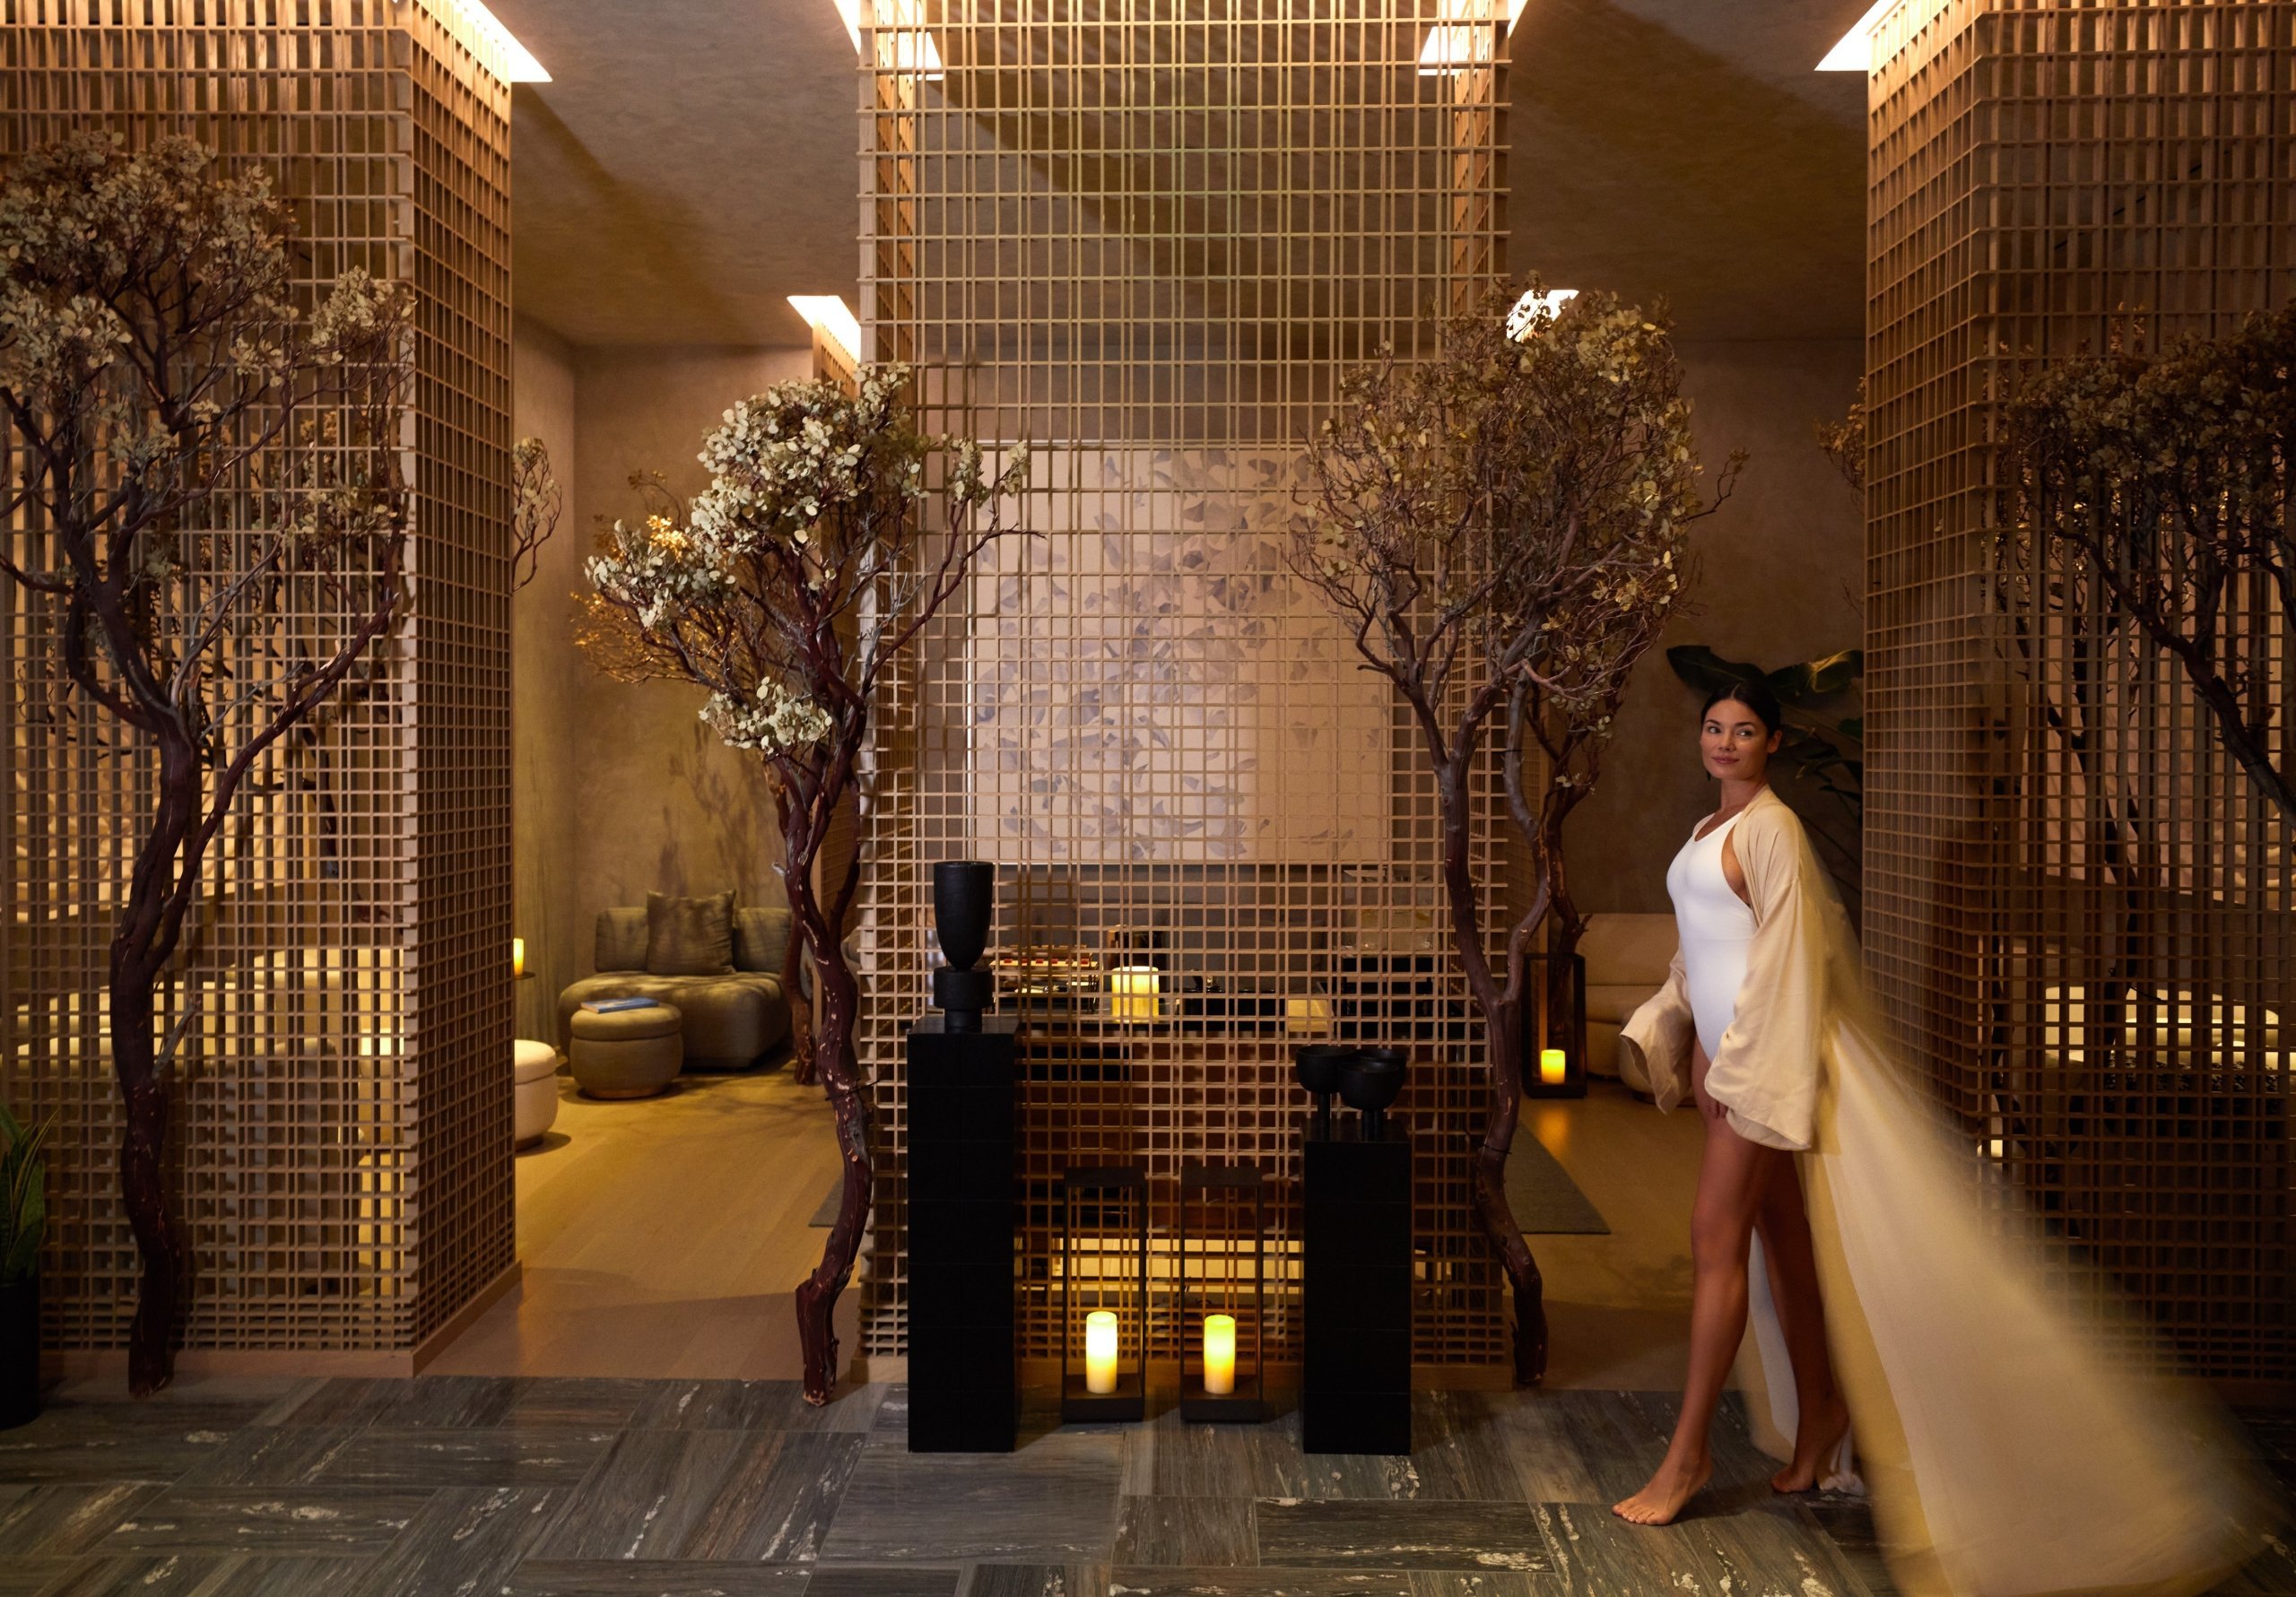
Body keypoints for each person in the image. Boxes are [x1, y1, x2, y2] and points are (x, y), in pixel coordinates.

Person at [1612, 682, 2270, 1596]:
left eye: (1745, 730)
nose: (1724, 741)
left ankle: (1682, 1458)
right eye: (1714, 728)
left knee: (1713, 1240)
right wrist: (1677, 1022)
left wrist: (1737, 1071)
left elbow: (1786, 960)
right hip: (1729, 1066)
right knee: (1783, 1246)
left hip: (1761, 1070)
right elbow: (1703, 950)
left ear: (1774, 743)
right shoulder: (1703, 833)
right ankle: (1819, 1422)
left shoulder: (1774, 830)